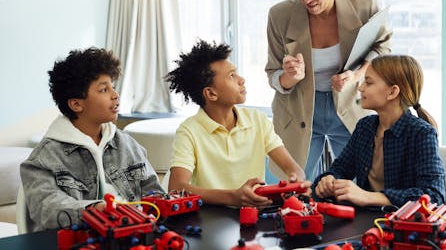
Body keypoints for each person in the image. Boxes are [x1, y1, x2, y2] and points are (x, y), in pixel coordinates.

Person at [265, 0, 392, 180]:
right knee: (293, 191)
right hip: (298, 111)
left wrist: (357, 75)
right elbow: (273, 72)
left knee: (361, 184)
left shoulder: (364, 3)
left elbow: (383, 46)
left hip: (352, 105)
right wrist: (289, 78)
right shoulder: (279, 15)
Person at [20, 48, 163, 232]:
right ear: (77, 104)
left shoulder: (128, 145)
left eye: (113, 86)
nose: (115, 95)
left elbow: (155, 194)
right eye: (104, 89)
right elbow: (48, 208)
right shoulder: (43, 160)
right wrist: (94, 210)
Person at [165, 40, 307, 208]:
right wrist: (233, 197)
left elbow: (293, 169)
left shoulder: (258, 120)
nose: (242, 79)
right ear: (211, 93)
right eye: (232, 75)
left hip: (255, 214)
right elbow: (176, 188)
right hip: (211, 218)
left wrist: (295, 180)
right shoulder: (189, 131)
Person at [312, 54, 445, 207]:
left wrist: (368, 197)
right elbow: (340, 168)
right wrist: (328, 179)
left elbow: (434, 195)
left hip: (400, 225)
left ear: (392, 92)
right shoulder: (365, 127)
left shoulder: (422, 134)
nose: (360, 87)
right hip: (365, 220)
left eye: (368, 82)